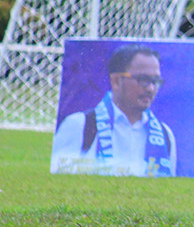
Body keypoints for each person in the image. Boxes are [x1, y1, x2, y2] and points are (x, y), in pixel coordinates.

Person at [51, 44, 177, 177]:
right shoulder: (79, 125)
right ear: (116, 81)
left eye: (155, 81)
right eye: (143, 80)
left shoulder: (165, 135)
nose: (151, 88)